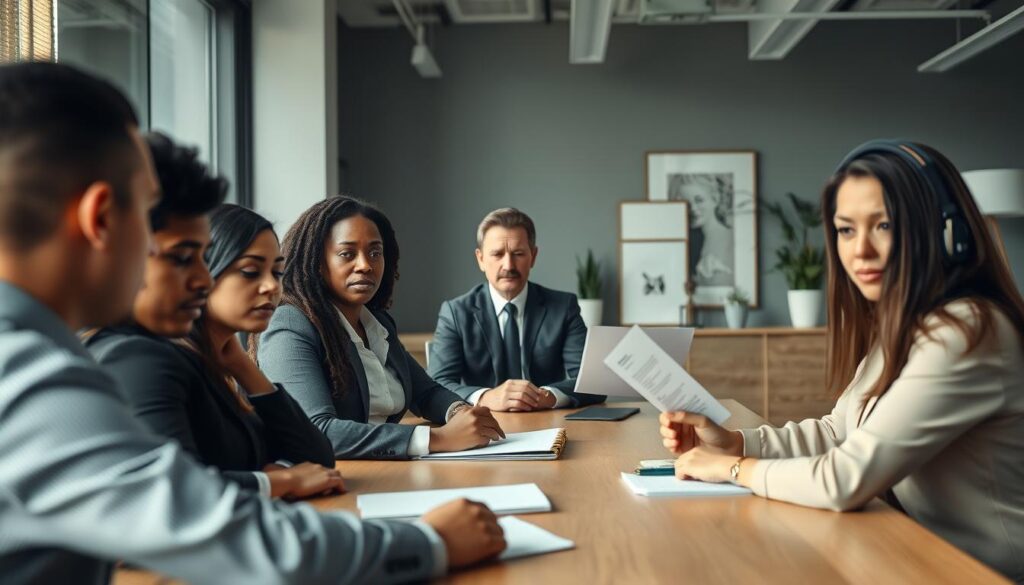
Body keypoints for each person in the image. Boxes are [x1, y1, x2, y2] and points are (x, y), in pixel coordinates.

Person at [0, 62, 504, 584]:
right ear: (102, 217)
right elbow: (209, 529)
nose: (198, 276)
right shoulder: (31, 373)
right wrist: (430, 542)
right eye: (151, 217)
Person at [659, 140, 1024, 582]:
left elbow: (845, 477)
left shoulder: (968, 331)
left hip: (981, 573)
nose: (860, 251)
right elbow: (839, 432)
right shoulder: (905, 325)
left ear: (945, 232)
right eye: (846, 230)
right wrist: (735, 443)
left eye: (883, 225)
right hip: (912, 552)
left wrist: (734, 469)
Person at [85, 137, 338, 500]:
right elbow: (171, 494)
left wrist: (243, 366)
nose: (270, 287)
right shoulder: (143, 356)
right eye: (250, 272)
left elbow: (317, 458)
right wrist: (278, 482)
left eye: (277, 273)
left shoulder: (214, 361)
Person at [257, 196, 505, 460]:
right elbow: (316, 430)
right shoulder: (290, 325)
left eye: (375, 253)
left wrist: (459, 412)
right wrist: (439, 438)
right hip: (329, 481)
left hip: (384, 469)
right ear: (317, 262)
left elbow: (426, 392)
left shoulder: (377, 323)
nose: (365, 265)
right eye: (347, 254)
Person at [428, 207, 606, 411]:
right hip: (482, 424)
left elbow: (593, 383)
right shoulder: (455, 313)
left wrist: (545, 396)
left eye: (518, 253)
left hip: (547, 423)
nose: (509, 265)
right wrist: (485, 397)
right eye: (497, 254)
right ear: (480, 259)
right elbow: (437, 383)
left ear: (533, 256)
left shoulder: (563, 307)